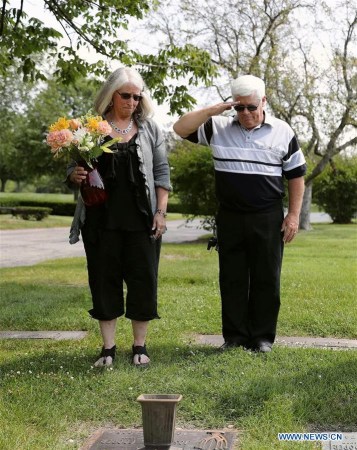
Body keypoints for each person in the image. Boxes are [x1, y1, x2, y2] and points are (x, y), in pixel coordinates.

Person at [173, 74, 306, 353]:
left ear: (264, 102)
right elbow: (180, 128)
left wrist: (293, 216)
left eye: (251, 107)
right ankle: (233, 338)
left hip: (267, 217)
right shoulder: (218, 127)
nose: (245, 113)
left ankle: (262, 338)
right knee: (232, 278)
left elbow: (296, 176)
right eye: (239, 107)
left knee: (266, 278)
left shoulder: (283, 131)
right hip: (230, 216)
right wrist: (212, 111)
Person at [67, 67, 171, 367]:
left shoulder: (150, 129)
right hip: (101, 222)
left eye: (137, 97)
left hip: (142, 222)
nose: (132, 101)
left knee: (143, 281)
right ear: (111, 95)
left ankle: (140, 346)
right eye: (125, 95)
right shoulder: (91, 129)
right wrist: (73, 174)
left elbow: (162, 173)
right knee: (103, 280)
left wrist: (161, 213)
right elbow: (75, 168)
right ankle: (108, 348)